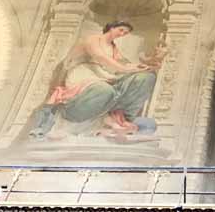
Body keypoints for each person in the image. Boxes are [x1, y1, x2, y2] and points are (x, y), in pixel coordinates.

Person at [30, 21, 164, 139]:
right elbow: (101, 58)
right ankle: (95, 118)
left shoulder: (113, 47)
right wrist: (126, 69)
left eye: (126, 33)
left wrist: (148, 64)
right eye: (121, 30)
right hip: (82, 76)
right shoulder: (92, 40)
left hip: (103, 76)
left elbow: (125, 64)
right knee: (104, 90)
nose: (122, 34)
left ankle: (120, 117)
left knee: (146, 78)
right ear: (112, 27)